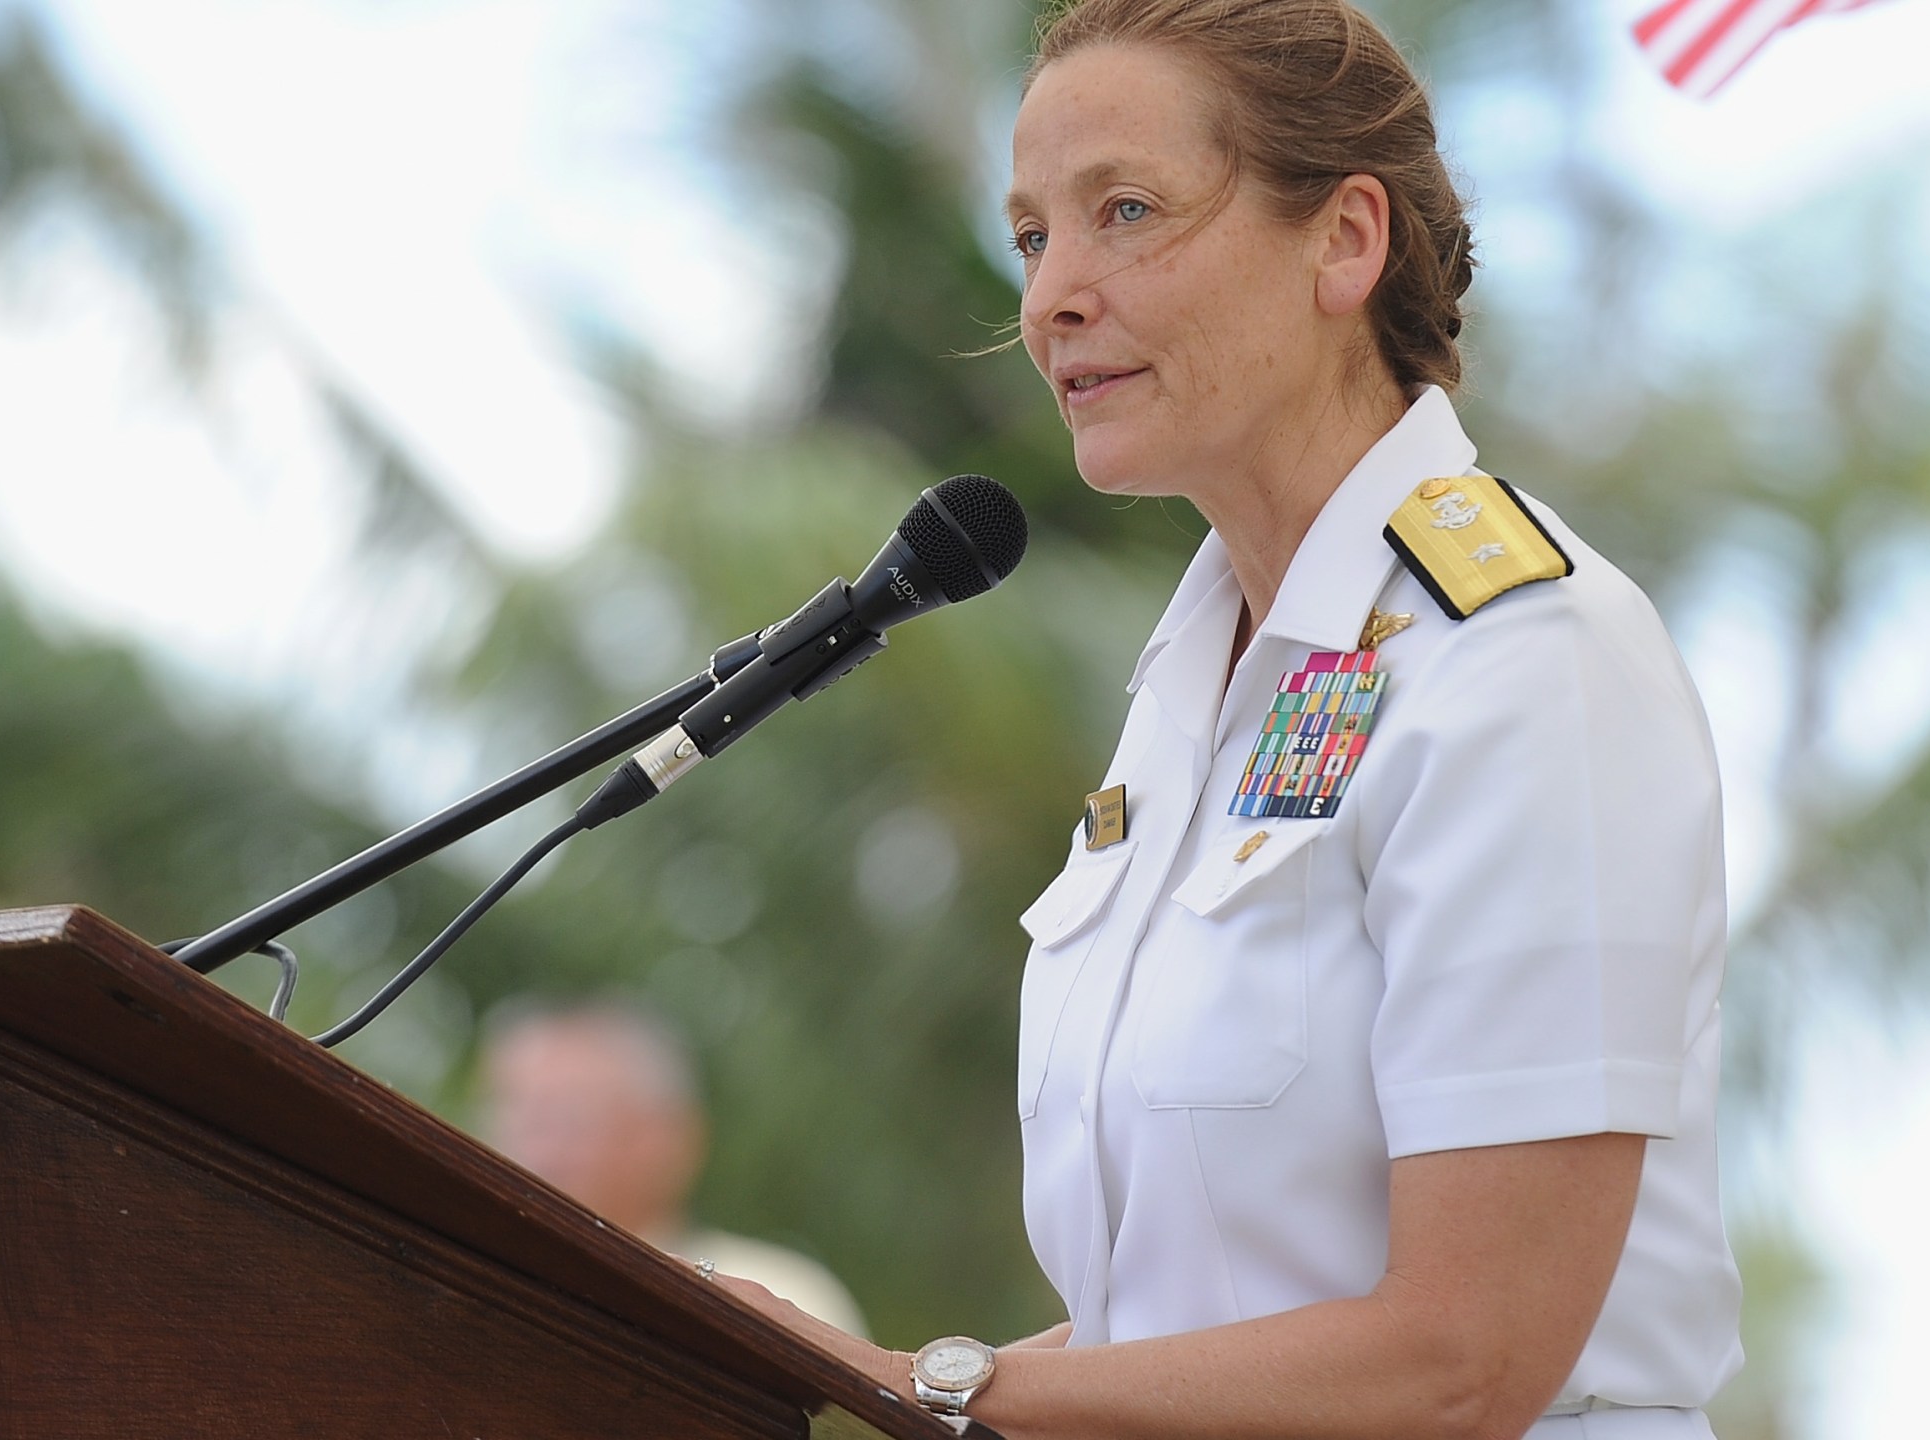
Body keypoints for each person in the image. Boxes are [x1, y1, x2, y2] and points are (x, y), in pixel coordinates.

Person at [705, 1, 1742, 1434]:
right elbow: (1189, 1320)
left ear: (1344, 241)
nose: (1051, 296)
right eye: (1030, 236)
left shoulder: (1522, 660)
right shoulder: (1198, 680)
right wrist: (888, 1399)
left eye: (1124, 212)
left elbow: (1466, 1363)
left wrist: (926, 1390)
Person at [477, 1000, 868, 1338]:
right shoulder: (465, 1276)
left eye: (567, 1117)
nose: (538, 1148)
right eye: (516, 1115)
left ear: (670, 1136)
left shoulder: (783, 1297)